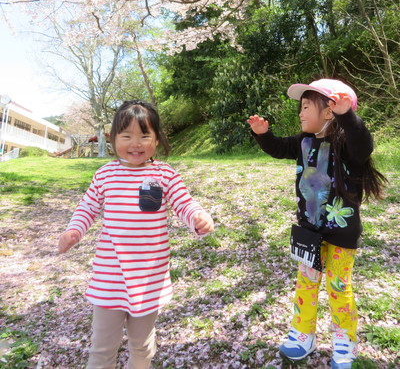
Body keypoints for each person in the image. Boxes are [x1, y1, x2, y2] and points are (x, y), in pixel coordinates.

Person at [58, 100, 214, 369]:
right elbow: (87, 207)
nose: (135, 143)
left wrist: (198, 218)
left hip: (148, 279)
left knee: (142, 346)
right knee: (101, 347)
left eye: (144, 135)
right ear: (113, 138)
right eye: (126, 136)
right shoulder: (105, 174)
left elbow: (184, 203)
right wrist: (74, 231)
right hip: (109, 277)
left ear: (156, 139)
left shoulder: (165, 175)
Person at [247, 79, 386, 369]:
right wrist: (263, 134)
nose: (300, 113)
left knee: (338, 287)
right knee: (306, 284)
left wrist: (348, 117)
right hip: (309, 232)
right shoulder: (303, 142)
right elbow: (278, 147)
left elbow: (363, 144)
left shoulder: (346, 145)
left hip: (341, 234)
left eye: (307, 107)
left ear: (329, 112)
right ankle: (303, 334)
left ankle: (345, 342)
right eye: (301, 107)